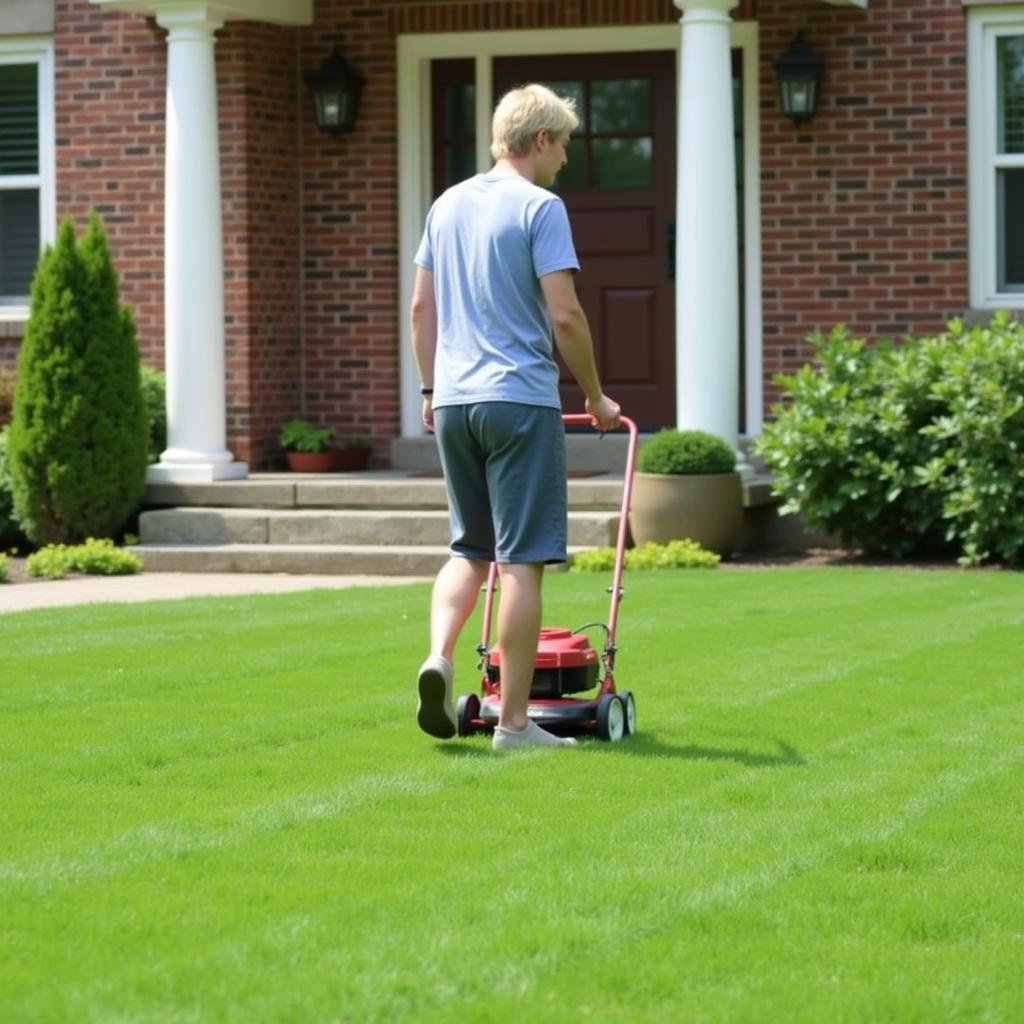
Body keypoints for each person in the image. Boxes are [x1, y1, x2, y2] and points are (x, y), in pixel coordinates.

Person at [411, 83, 621, 750]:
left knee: (469, 551)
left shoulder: (446, 205)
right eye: (562, 144)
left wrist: (427, 391)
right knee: (522, 562)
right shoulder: (541, 207)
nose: (564, 158)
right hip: (519, 400)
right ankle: (514, 724)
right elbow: (565, 313)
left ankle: (439, 658)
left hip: (453, 402)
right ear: (539, 141)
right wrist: (594, 396)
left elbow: (421, 310)